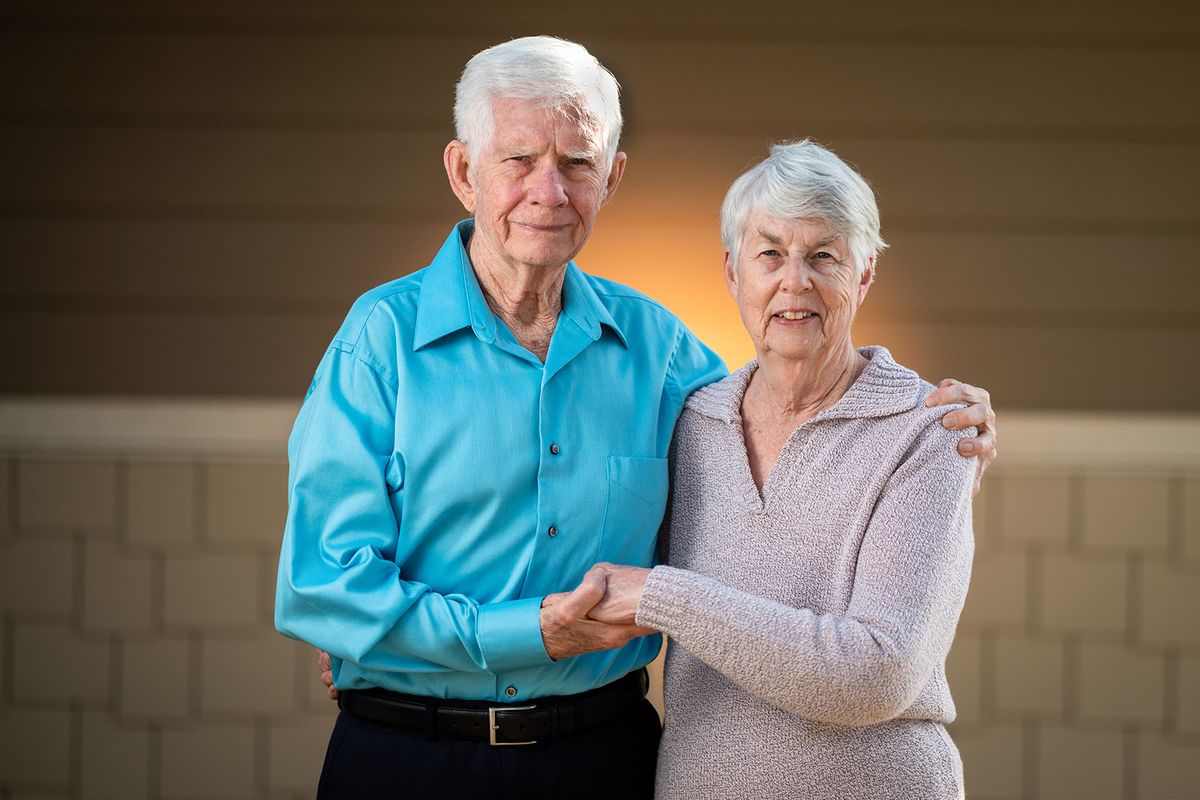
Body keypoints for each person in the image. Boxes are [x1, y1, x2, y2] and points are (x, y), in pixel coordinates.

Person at [278, 36, 995, 799]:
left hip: (601, 762)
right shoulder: (379, 341)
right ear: (464, 173)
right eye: (519, 160)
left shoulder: (667, 359)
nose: (548, 192)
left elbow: (793, 430)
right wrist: (499, 638)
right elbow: (326, 588)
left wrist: (944, 426)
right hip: (407, 757)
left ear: (611, 177)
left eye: (578, 164)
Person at [574, 140, 979, 799]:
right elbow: (578, 549)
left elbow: (878, 673)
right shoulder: (691, 422)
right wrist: (367, 637)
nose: (796, 282)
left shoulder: (929, 431)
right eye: (770, 255)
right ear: (732, 272)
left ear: (865, 272)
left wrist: (664, 595)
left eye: (824, 256)